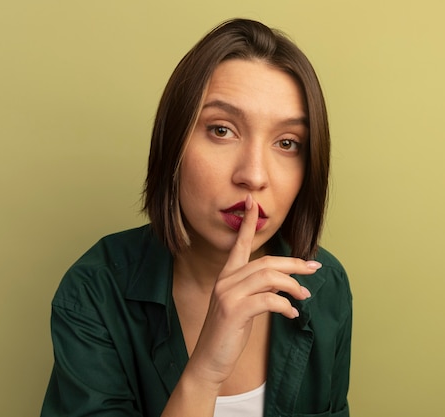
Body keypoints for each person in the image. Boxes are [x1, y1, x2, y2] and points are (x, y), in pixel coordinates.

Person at [41, 18, 352, 417]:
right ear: (174, 143)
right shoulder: (95, 291)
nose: (254, 175)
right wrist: (204, 373)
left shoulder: (325, 285)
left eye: (287, 143)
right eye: (222, 130)